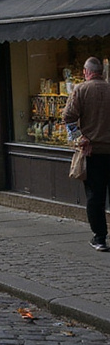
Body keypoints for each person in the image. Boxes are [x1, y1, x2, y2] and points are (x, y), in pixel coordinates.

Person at [63, 56, 110, 251]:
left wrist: (80, 139)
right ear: (102, 72)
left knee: (95, 197)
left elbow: (68, 118)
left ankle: (99, 237)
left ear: (86, 72)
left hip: (92, 153)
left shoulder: (80, 90)